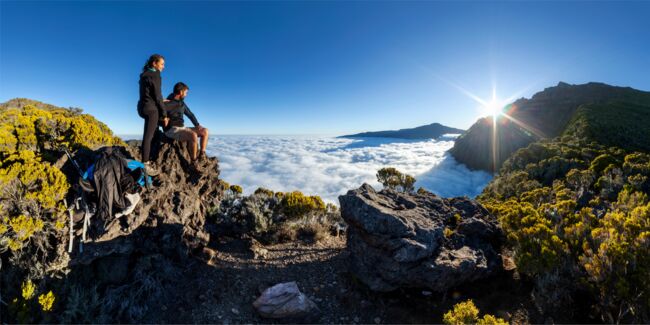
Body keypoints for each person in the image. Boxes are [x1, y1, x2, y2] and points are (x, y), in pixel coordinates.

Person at [137, 54, 169, 175]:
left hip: (142, 108)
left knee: (151, 133)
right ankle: (146, 164)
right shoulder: (156, 75)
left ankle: (149, 158)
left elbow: (149, 93)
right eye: (162, 64)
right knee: (148, 137)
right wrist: (164, 114)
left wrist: (160, 100)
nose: (163, 67)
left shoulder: (144, 74)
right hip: (152, 110)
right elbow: (157, 95)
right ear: (154, 64)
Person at [163, 82, 209, 162]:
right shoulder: (167, 103)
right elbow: (157, 116)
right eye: (186, 92)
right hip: (172, 130)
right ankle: (194, 161)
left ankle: (202, 155)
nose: (186, 94)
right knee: (193, 135)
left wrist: (197, 125)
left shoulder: (181, 103)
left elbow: (190, 114)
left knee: (205, 131)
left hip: (182, 128)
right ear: (181, 92)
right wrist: (164, 121)